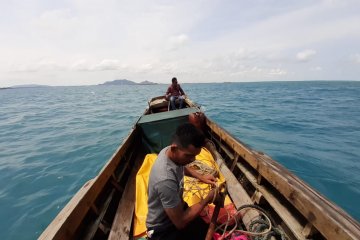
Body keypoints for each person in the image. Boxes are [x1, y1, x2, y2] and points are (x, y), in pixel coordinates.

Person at [146, 123, 218, 240]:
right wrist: (207, 199)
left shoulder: (169, 152)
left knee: (204, 231)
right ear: (174, 148)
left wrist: (201, 177)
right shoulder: (165, 180)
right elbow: (180, 222)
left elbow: (181, 166)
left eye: (195, 156)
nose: (193, 160)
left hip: (178, 209)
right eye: (189, 156)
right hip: (162, 227)